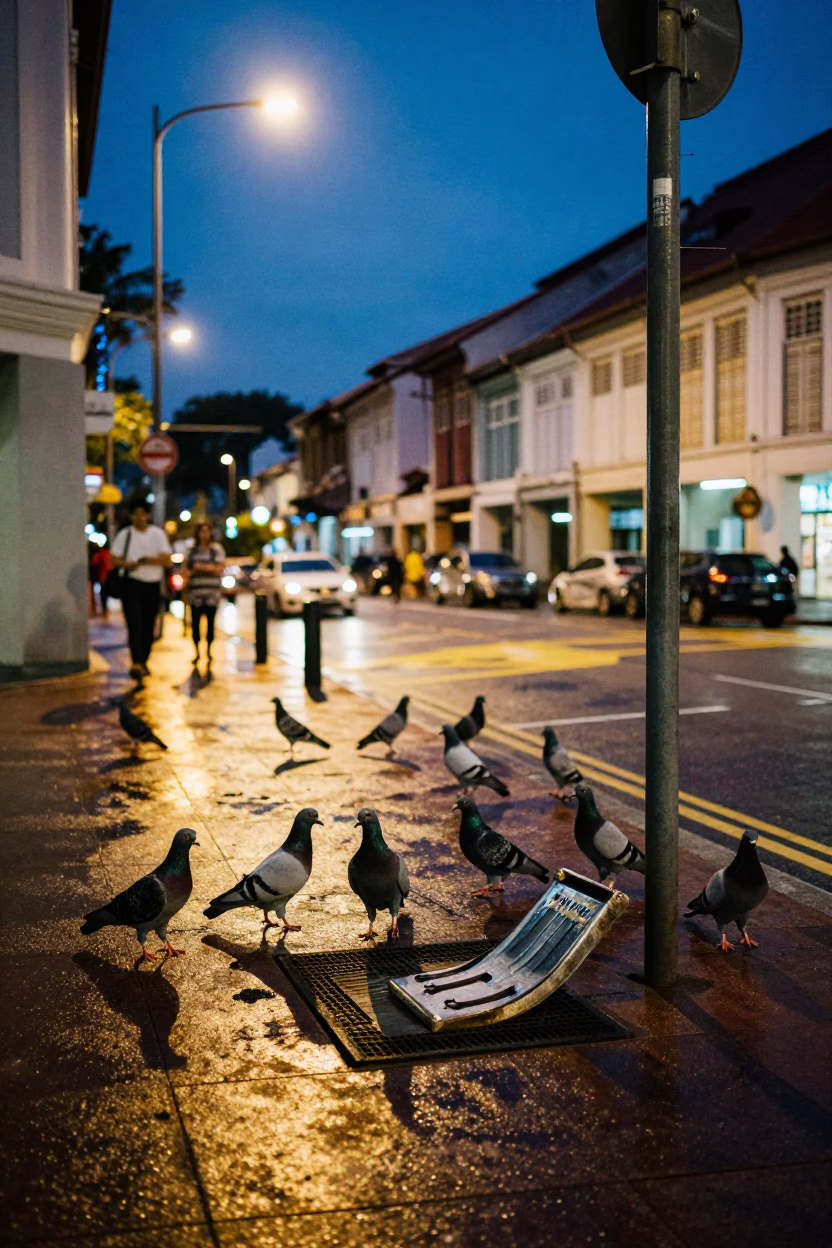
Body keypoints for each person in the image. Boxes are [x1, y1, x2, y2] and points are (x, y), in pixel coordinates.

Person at [111, 497, 172, 680]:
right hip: (131, 583)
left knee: (148, 625)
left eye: (143, 514)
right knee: (134, 624)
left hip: (152, 584)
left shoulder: (157, 534)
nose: (140, 518)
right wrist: (128, 564)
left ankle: (144, 660)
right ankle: (136, 662)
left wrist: (148, 560)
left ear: (148, 515)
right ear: (131, 516)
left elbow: (167, 559)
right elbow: (113, 559)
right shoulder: (125, 534)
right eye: (136, 514)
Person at [184, 521, 226, 666]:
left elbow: (219, 569)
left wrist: (199, 567)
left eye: (207, 531)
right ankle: (196, 652)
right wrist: (207, 568)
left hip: (211, 594)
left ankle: (209, 651)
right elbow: (185, 571)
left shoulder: (216, 550)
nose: (204, 534)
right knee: (195, 625)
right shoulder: (191, 551)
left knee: (210, 625)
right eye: (202, 531)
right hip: (195, 593)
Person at [90, 541, 112, 620]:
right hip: (107, 577)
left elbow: (93, 562)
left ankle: (104, 611)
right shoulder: (108, 553)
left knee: (103, 595)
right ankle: (105, 611)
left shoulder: (100, 554)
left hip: (102, 577)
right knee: (105, 595)